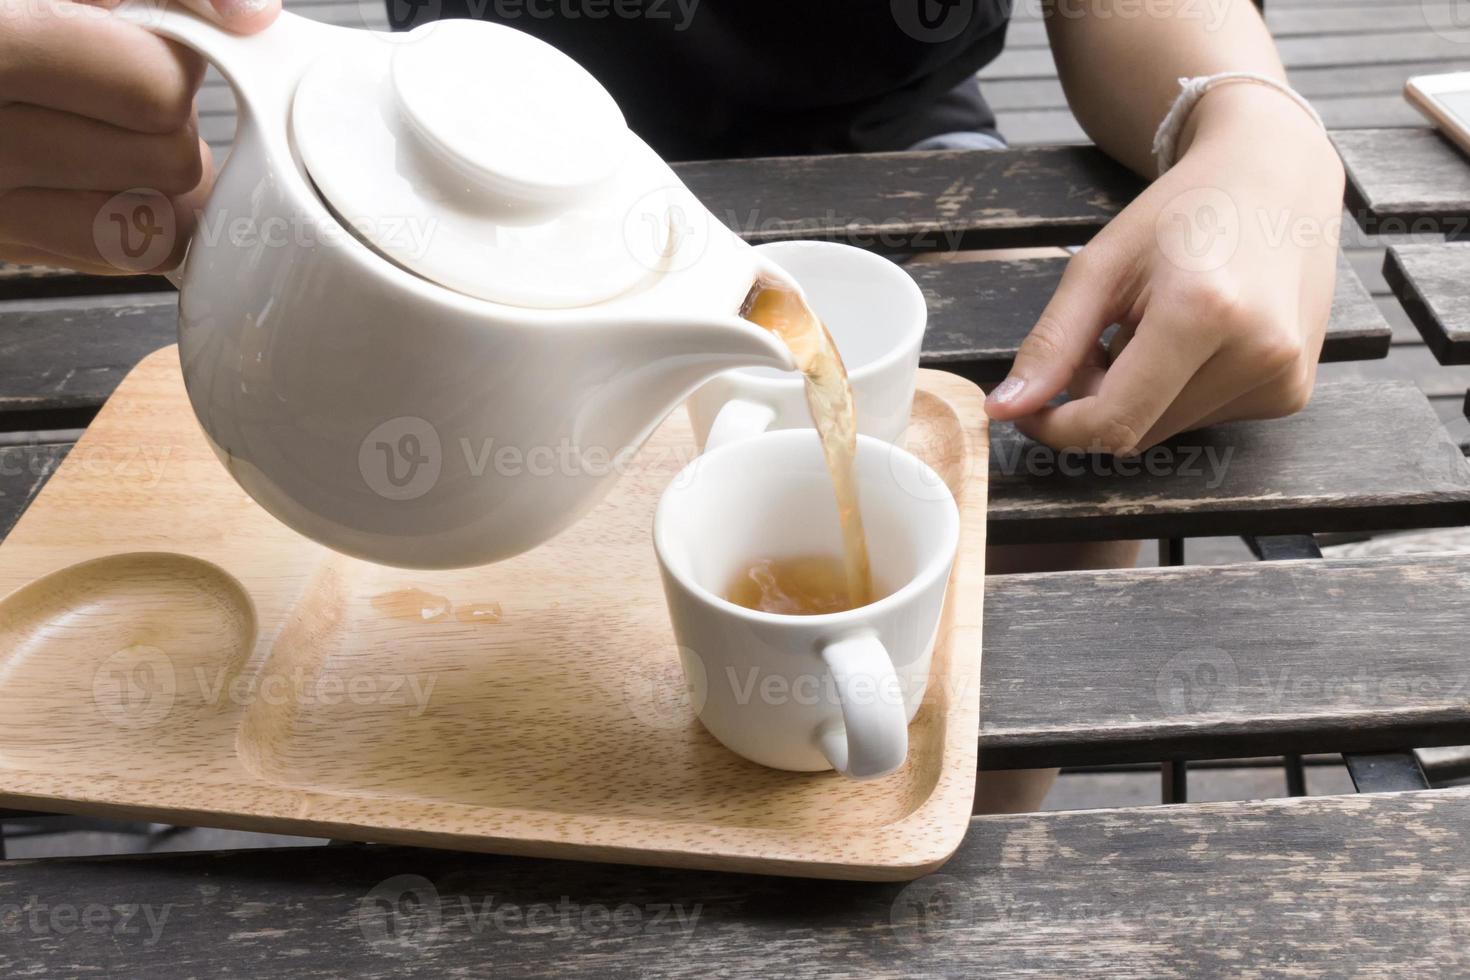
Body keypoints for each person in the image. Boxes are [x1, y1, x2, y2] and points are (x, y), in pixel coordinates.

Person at [0, 0, 1343, 810]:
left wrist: (1252, 127)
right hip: (436, 157)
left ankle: (923, 872)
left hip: (893, 146)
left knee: (1033, 451)